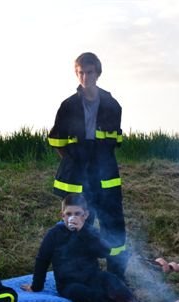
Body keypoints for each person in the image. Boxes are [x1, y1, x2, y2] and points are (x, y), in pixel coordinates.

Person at [47, 52, 128, 280]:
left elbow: (114, 143)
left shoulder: (113, 106)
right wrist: (74, 161)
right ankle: (80, 274)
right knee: (78, 224)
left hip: (106, 176)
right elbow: (57, 142)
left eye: (89, 72)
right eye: (80, 72)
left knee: (113, 224)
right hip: (77, 177)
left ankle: (116, 276)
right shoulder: (68, 106)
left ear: (98, 73)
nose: (85, 77)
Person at [21, 194, 139, 302]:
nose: (72, 218)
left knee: (111, 279)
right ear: (62, 215)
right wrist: (36, 286)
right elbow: (42, 260)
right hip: (69, 283)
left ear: (85, 215)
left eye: (77, 214)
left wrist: (83, 231)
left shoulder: (90, 232)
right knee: (83, 294)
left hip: (93, 276)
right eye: (68, 214)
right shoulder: (54, 234)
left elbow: (103, 252)